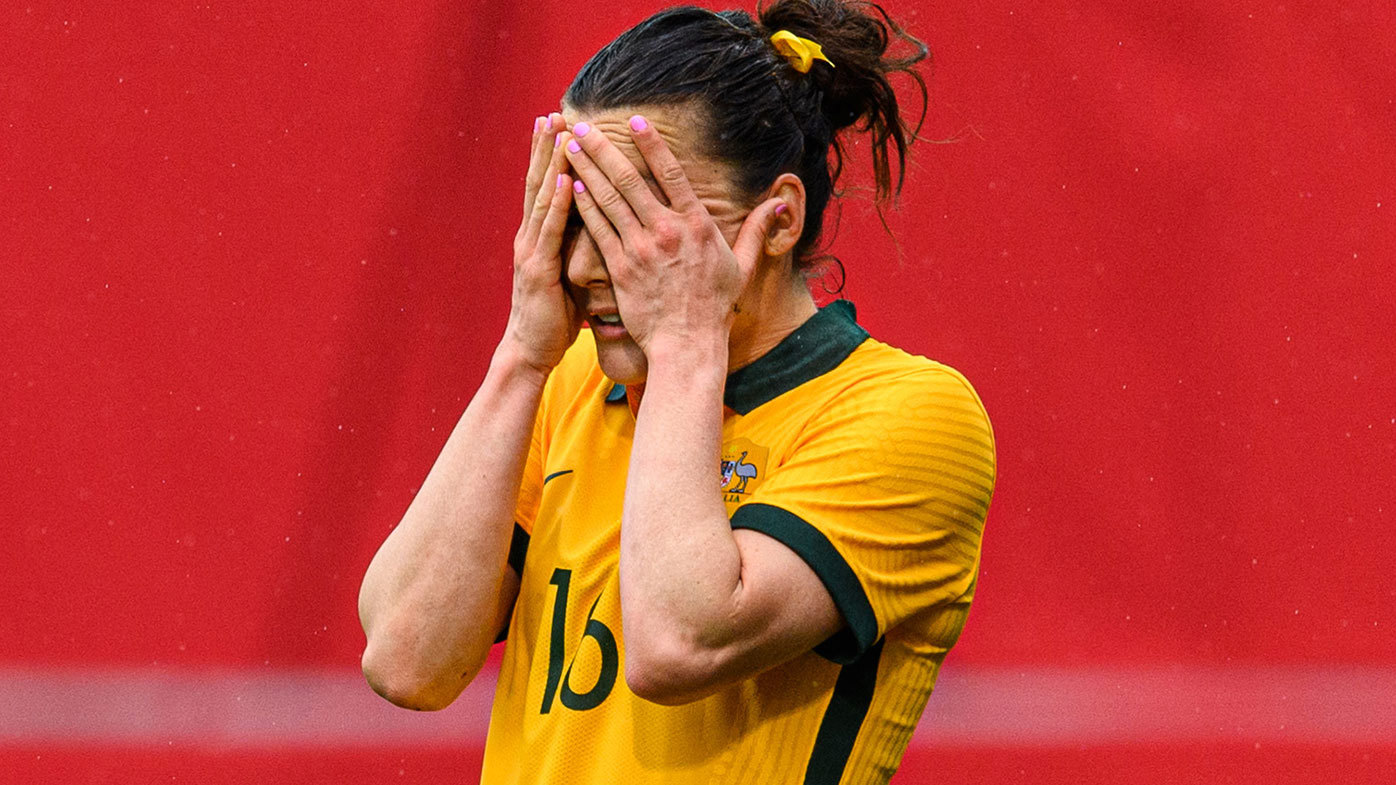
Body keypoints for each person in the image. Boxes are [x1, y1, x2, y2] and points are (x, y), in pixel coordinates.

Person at [357, 1, 996, 782]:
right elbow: (406, 657)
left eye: (637, 224)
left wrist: (688, 342)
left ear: (781, 218)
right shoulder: (568, 385)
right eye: (576, 218)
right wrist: (522, 356)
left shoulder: (911, 415)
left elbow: (677, 642)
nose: (587, 269)